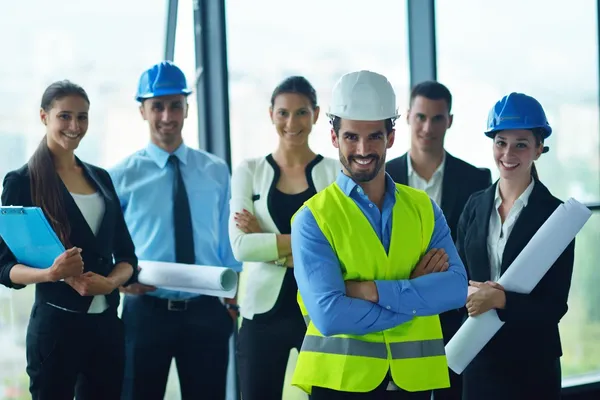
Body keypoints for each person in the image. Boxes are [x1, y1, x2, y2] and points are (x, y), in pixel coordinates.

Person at [290, 70, 468, 400]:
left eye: (374, 136)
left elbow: (456, 289)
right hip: (341, 385)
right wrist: (415, 294)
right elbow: (329, 315)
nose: (363, 149)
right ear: (334, 137)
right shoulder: (311, 219)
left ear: (391, 136)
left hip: (413, 384)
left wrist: (368, 290)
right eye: (351, 137)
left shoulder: (423, 209)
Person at [108, 61, 242, 400]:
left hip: (208, 312)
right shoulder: (120, 176)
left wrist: (231, 304)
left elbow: (228, 239)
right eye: (157, 106)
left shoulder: (215, 170)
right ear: (143, 110)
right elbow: (107, 243)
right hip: (146, 310)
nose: (167, 115)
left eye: (175, 106)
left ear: (187, 108)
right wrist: (118, 280)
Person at [0, 80, 137, 399]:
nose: (75, 126)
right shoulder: (22, 181)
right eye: (65, 116)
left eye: (83, 117)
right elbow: (4, 266)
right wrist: (50, 274)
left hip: (106, 328)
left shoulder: (101, 178)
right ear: (44, 117)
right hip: (56, 330)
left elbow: (128, 256)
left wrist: (110, 282)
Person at [456, 92, 575, 400]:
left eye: (521, 144)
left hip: (533, 365)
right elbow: (456, 276)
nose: (508, 153)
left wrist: (500, 300)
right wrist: (470, 293)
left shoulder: (556, 216)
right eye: (501, 142)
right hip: (479, 358)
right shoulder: (474, 206)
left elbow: (554, 307)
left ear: (538, 149)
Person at [229, 76, 339, 400]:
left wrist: (267, 240)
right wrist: (309, 247)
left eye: (302, 112)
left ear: (316, 115)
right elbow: (240, 246)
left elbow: (342, 247)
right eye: (283, 113)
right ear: (271, 114)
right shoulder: (248, 170)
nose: (292, 123)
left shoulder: (335, 173)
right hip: (262, 317)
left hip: (322, 312)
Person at [386, 80, 491, 400]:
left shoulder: (476, 178)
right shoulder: (382, 177)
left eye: (437, 118)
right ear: (406, 117)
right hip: (400, 318)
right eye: (420, 117)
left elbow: (475, 250)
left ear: (450, 121)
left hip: (456, 317)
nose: (427, 127)